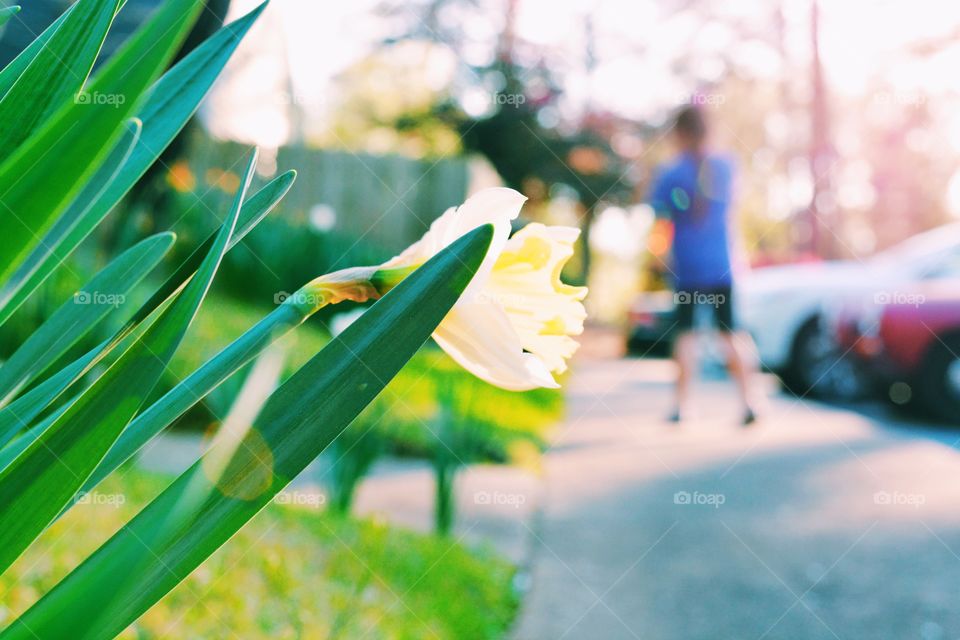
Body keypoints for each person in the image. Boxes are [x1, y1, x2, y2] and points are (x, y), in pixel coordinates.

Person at [647, 104, 758, 426]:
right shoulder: (726, 167)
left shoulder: (670, 173)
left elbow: (661, 218)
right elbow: (730, 206)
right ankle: (749, 401)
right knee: (732, 333)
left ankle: (682, 406)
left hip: (688, 268)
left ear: (678, 134)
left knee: (686, 335)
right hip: (722, 265)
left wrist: (658, 257)